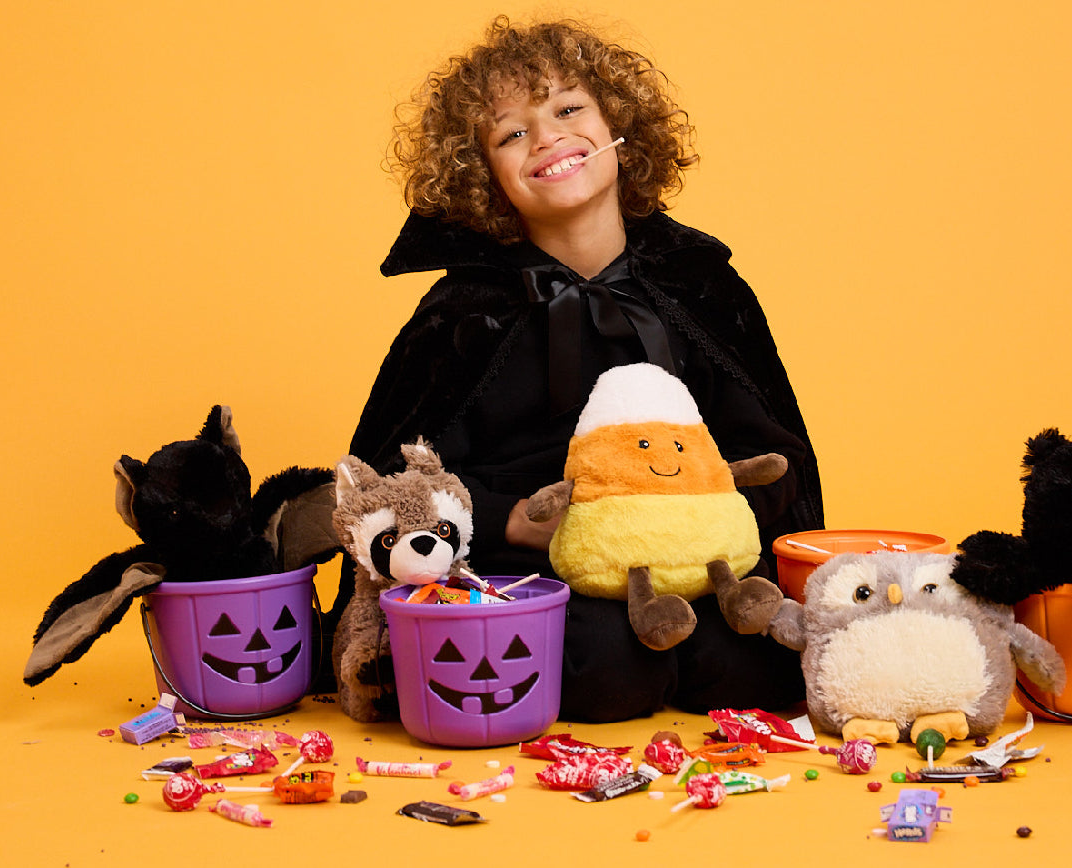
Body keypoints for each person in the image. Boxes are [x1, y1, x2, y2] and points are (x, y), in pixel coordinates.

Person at [347, 16, 824, 722]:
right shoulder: (460, 314)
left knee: (750, 664)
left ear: (619, 128)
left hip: (697, 565)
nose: (546, 139)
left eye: (568, 110)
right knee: (603, 661)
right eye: (511, 133)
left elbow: (779, 457)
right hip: (526, 575)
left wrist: (703, 517)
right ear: (482, 178)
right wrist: (510, 519)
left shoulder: (702, 287)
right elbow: (391, 481)